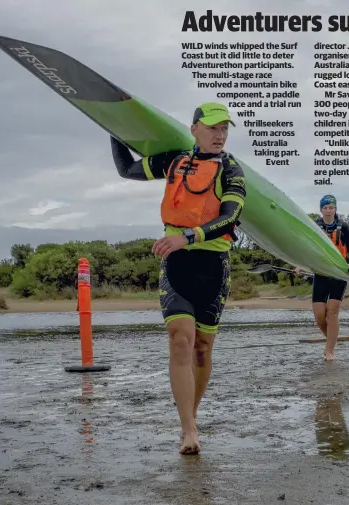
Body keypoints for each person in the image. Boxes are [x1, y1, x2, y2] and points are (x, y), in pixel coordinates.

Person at [109, 102, 246, 455]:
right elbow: (127, 168)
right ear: (194, 128)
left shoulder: (231, 169)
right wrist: (112, 128)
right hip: (176, 263)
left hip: (213, 263)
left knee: (202, 349)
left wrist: (187, 237)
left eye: (225, 129)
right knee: (180, 340)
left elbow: (229, 219)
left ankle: (191, 414)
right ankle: (188, 429)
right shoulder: (173, 162)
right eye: (214, 127)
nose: (220, 135)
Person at [297, 195, 349, 361]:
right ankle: (332, 340)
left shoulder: (343, 226)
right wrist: (300, 266)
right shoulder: (315, 225)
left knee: (332, 313)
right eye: (325, 208)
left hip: (339, 273)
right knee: (319, 316)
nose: (328, 211)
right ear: (321, 209)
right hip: (320, 273)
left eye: (331, 207)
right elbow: (305, 247)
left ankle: (330, 350)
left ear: (335, 209)